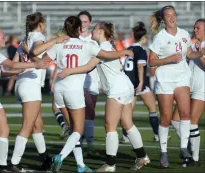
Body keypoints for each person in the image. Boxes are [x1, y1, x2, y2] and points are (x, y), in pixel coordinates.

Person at [40, 16, 133, 173]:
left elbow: (42, 61)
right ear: (78, 29)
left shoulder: (59, 44)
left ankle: (81, 165)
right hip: (74, 91)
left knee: (72, 131)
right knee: (78, 131)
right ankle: (59, 157)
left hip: (59, 89)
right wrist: (124, 51)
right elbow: (107, 55)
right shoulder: (86, 45)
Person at [58, 21, 149, 172]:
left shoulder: (103, 48)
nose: (92, 31)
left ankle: (110, 164)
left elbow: (87, 67)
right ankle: (142, 157)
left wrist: (69, 71)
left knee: (110, 126)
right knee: (127, 124)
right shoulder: (106, 47)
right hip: (126, 87)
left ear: (101, 32)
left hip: (117, 89)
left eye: (95, 29)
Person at [0, 26, 47, 173]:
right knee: (4, 129)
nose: (5, 38)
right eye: (2, 36)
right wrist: (35, 64)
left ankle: (3, 166)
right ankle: (3, 167)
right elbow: (13, 64)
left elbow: (3, 72)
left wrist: (21, 70)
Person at [9, 12, 67, 172]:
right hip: (30, 85)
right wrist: (55, 40)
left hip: (21, 84)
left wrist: (31, 58)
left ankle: (45, 159)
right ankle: (14, 163)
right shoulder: (38, 36)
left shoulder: (24, 40)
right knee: (28, 126)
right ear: (40, 23)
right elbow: (37, 49)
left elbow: (13, 66)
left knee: (37, 125)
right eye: (44, 22)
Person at [149, 5, 205, 168]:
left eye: (174, 14)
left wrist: (199, 54)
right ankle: (163, 152)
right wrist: (168, 60)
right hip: (165, 79)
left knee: (185, 114)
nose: (172, 18)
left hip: (182, 78)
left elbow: (188, 54)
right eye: (168, 15)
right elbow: (151, 61)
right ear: (163, 19)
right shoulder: (159, 37)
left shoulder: (184, 34)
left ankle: (183, 149)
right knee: (166, 118)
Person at [171, 18, 205, 167]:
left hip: (201, 88)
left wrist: (200, 53)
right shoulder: (192, 44)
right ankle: (190, 147)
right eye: (194, 27)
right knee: (175, 120)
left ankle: (195, 158)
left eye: (198, 28)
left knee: (192, 123)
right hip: (187, 87)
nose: (195, 30)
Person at [121, 22, 160, 142]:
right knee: (152, 108)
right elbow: (140, 67)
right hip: (138, 83)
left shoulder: (129, 49)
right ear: (143, 38)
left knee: (128, 112)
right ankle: (157, 134)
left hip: (128, 84)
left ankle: (125, 135)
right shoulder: (141, 51)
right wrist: (141, 83)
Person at [77, 11, 100, 157]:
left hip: (93, 80)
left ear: (90, 23)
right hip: (78, 81)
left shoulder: (96, 40)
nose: (83, 24)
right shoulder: (73, 40)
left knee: (90, 114)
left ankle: (88, 145)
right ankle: (80, 144)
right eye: (80, 21)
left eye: (85, 22)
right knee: (80, 114)